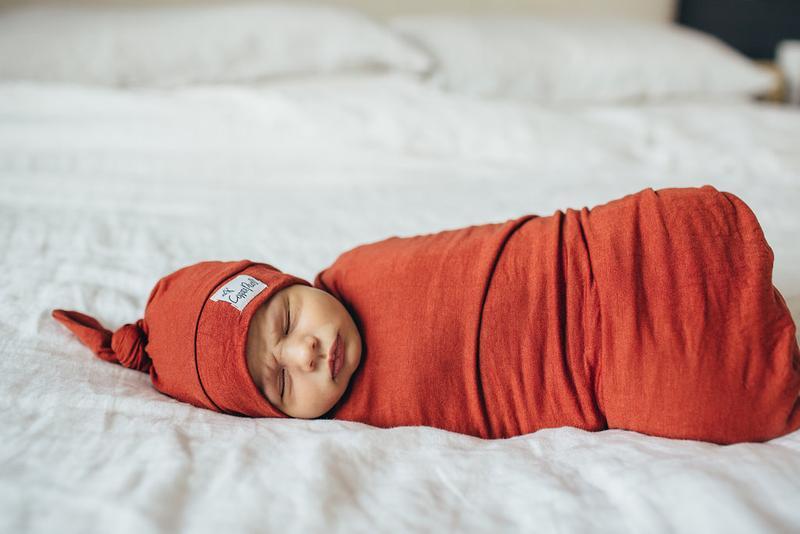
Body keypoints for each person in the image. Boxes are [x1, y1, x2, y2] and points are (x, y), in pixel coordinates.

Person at [52, 185, 800, 444]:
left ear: (282, 282)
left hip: (593, 256)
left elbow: (512, 245)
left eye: (284, 327)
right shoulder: (361, 421)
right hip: (602, 371)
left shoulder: (361, 264)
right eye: (281, 387)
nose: (306, 356)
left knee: (683, 227)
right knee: (714, 394)